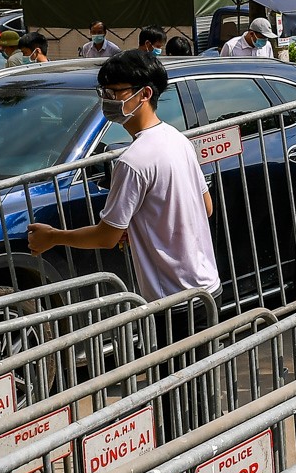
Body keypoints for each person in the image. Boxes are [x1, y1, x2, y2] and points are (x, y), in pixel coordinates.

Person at [27, 50, 220, 300]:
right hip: (209, 288)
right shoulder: (177, 138)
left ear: (145, 94)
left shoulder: (132, 161)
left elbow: (106, 237)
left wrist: (53, 237)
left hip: (174, 299)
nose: (107, 100)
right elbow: (206, 206)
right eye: (104, 93)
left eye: (114, 93)